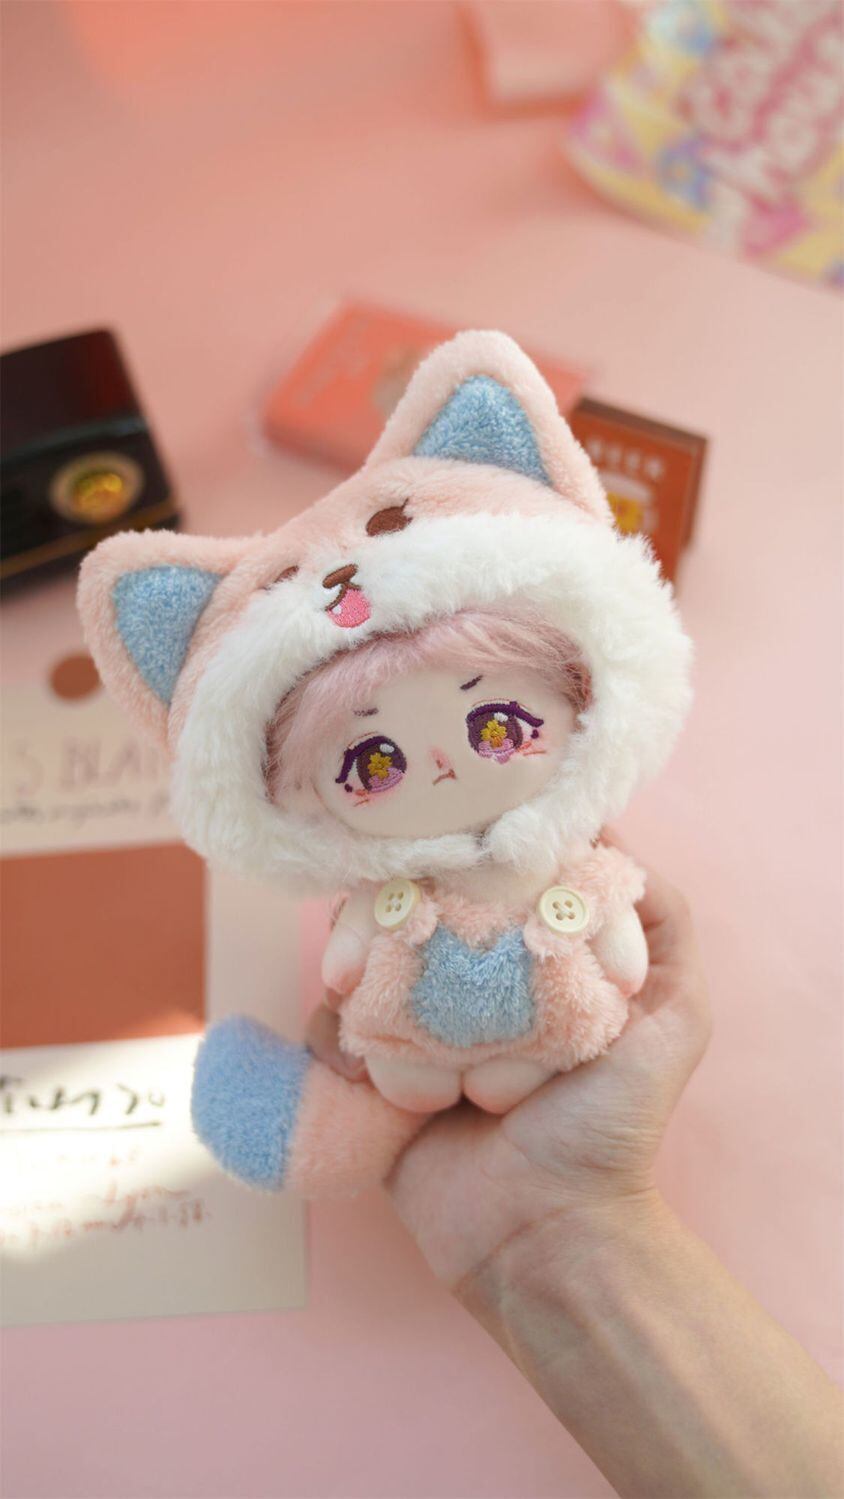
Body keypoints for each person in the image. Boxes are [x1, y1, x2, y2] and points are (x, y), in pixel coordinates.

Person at [307, 862, 844, 1498]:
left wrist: (572, 1215)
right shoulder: (390, 877)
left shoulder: (580, 870)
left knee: (489, 1070)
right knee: (394, 1066)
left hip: (534, 1055)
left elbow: (620, 950)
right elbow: (346, 961)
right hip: (413, 1054)